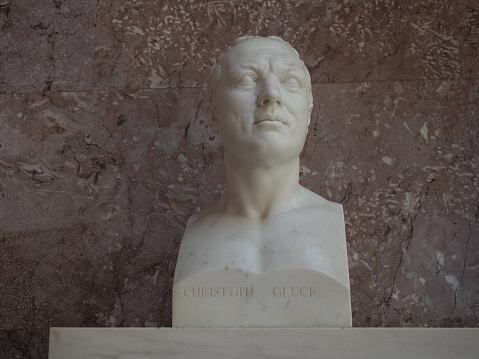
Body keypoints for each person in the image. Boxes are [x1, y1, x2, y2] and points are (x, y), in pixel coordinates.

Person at [173, 36, 351, 327]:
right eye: (245, 78)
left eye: (290, 80)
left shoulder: (330, 225)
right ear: (212, 113)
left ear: (308, 114)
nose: (271, 94)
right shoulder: (197, 235)